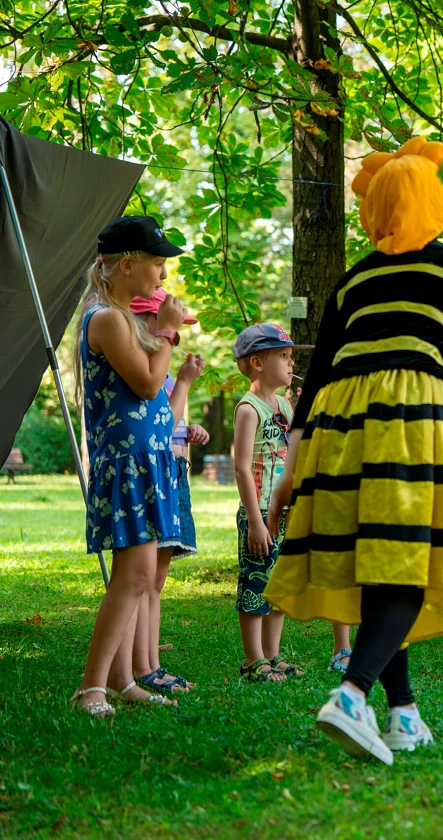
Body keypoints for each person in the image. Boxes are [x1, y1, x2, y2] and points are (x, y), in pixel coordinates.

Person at [263, 138, 443, 765]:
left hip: (336, 428)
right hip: (413, 418)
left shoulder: (352, 281)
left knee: (380, 557)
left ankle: (403, 715)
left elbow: (313, 381)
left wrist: (290, 471)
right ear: (440, 200)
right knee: (408, 562)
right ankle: (352, 694)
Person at [71, 216, 188, 716]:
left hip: (146, 463)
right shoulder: (106, 320)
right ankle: (91, 687)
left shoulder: (121, 317)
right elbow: (145, 383)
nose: (162, 275)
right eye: (157, 264)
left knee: (137, 575)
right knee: (134, 577)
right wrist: (165, 331)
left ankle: (122, 680)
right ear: (126, 265)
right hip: (127, 464)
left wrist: (160, 334)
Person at [128, 289, 206, 695]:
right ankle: (144, 667)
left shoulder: (163, 373)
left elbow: (172, 424)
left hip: (171, 471)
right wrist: (187, 385)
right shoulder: (144, 371)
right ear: (147, 323)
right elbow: (158, 425)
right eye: (171, 330)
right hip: (154, 473)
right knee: (142, 580)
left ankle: (151, 663)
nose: (176, 340)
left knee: (155, 581)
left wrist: (190, 429)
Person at [232, 324, 306, 683]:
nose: (291, 363)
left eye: (291, 357)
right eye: (284, 356)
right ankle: (253, 659)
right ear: (258, 362)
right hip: (259, 512)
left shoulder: (285, 405)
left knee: (280, 588)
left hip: (284, 511)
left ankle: (273, 656)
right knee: (256, 584)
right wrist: (255, 521)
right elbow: (242, 468)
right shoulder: (249, 409)